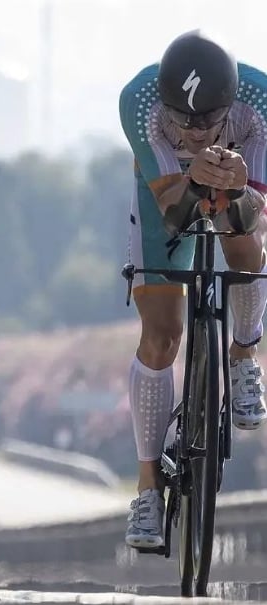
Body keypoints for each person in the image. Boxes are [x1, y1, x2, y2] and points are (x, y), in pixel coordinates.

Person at [119, 29, 267, 549]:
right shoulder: (140, 104)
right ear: (165, 105)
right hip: (167, 187)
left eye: (207, 120)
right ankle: (146, 488)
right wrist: (199, 182)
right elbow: (173, 214)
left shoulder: (260, 104)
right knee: (161, 336)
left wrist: (235, 186)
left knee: (245, 244)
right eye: (182, 119)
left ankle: (245, 354)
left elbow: (253, 216)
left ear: (229, 106)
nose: (195, 131)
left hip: (242, 177)